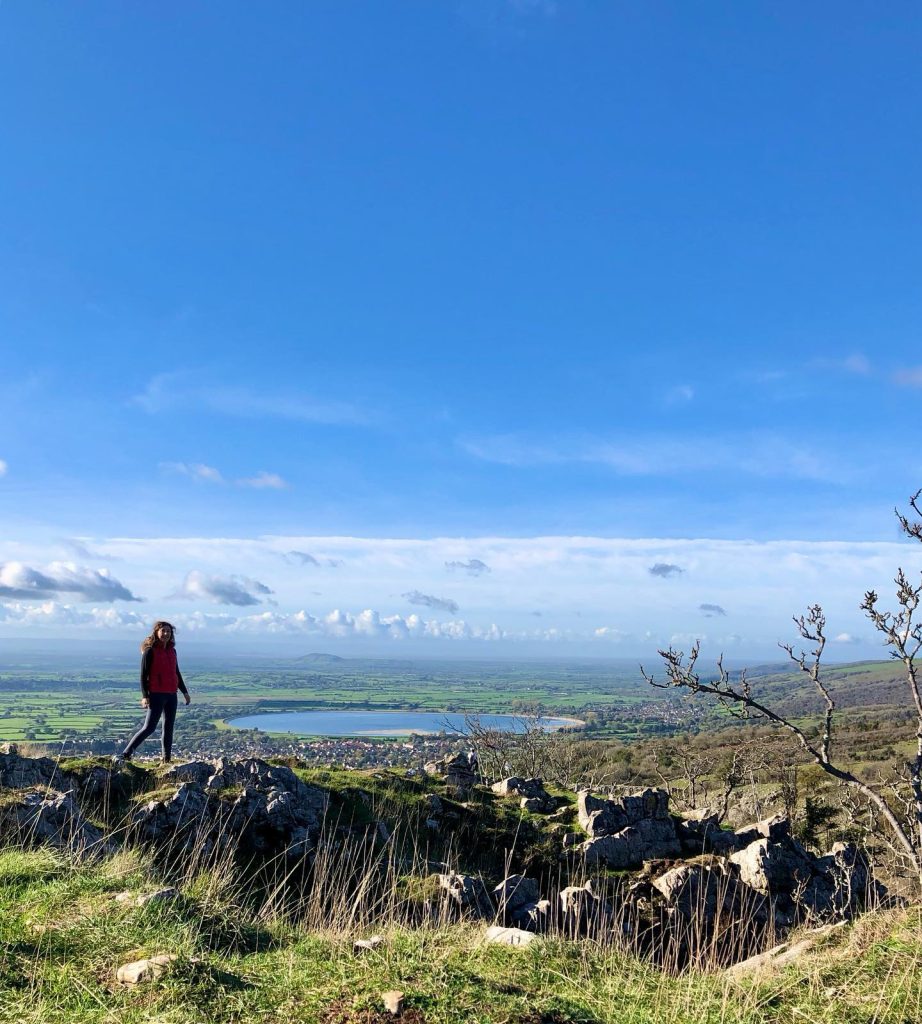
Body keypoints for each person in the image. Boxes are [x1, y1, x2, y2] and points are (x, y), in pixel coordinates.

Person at [114, 621, 191, 765]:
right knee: (149, 727)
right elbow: (143, 675)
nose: (166, 634)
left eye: (168, 631)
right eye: (163, 631)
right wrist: (145, 696)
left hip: (171, 694)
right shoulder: (150, 651)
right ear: (156, 632)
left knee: (169, 728)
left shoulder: (172, 651)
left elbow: (177, 672)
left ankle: (166, 760)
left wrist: (184, 692)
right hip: (156, 694)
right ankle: (126, 753)